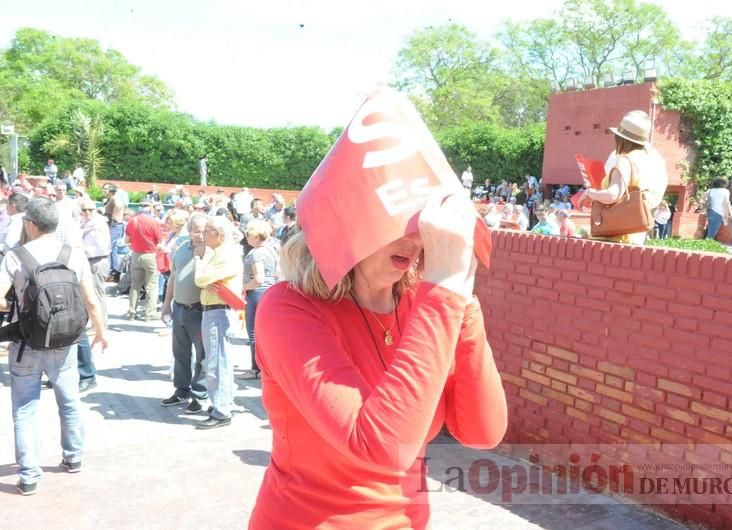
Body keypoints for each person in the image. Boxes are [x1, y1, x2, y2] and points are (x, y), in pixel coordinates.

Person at [248, 88, 506, 528]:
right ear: (350, 220)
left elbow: (482, 430)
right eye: (398, 220)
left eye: (423, 224)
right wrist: (442, 294)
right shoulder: (289, 309)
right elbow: (379, 446)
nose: (415, 238)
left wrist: (460, 296)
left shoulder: (424, 306)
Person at [0, 197, 109, 496]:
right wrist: (101, 332)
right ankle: (73, 457)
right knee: (70, 401)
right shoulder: (73, 254)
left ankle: (29, 475)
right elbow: (90, 300)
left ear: (31, 224)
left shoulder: (15, 256)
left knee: (25, 409)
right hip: (65, 342)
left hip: (27, 344)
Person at [585, 110, 667, 245]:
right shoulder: (655, 159)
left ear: (621, 139)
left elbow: (613, 195)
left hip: (615, 232)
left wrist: (590, 193)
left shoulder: (624, 160)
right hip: (636, 230)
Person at [192, 216, 243, 429]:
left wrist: (198, 262)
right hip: (213, 311)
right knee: (218, 360)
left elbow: (200, 280)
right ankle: (223, 404)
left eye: (207, 231)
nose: (203, 235)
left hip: (219, 312)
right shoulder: (219, 252)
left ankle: (221, 410)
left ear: (218, 233)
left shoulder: (227, 254)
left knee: (218, 362)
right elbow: (205, 281)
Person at [160, 213, 209, 414]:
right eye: (196, 230)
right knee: (180, 353)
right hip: (179, 308)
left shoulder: (210, 251)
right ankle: (182, 390)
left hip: (199, 309)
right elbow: (173, 276)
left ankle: (200, 394)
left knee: (201, 356)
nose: (200, 235)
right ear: (189, 231)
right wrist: (166, 304)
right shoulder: (181, 248)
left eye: (204, 230)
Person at [76, 198, 111, 393]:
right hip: (88, 260)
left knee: (97, 296)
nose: (87, 212)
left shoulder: (98, 225)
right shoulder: (86, 223)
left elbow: (100, 247)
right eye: (84, 210)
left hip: (96, 260)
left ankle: (101, 324)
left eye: (90, 209)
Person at [238, 219, 280, 380]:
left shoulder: (256, 253)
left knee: (254, 333)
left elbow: (259, 278)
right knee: (265, 333)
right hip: (269, 292)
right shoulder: (271, 249)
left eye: (248, 234)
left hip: (256, 293)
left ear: (255, 236)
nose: (246, 237)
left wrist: (245, 287)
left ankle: (255, 368)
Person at [125, 199, 162, 320]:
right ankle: (149, 313)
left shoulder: (132, 221)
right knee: (151, 285)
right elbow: (160, 241)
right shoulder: (154, 222)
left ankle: (132, 311)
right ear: (150, 208)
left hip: (136, 254)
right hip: (150, 255)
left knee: (135, 285)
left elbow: (126, 241)